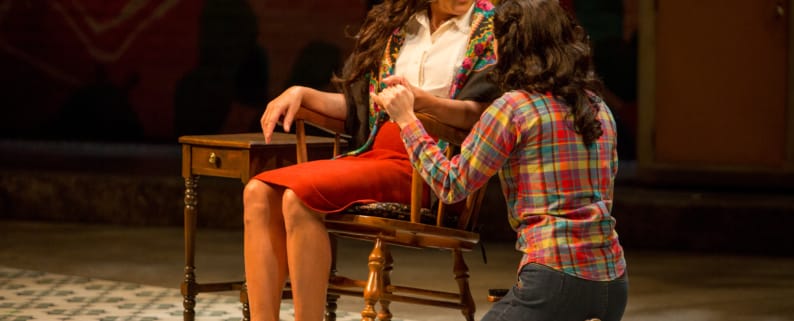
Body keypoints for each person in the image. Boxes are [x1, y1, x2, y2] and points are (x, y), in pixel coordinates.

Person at [242, 1, 499, 320]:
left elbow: (490, 114)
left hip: (434, 164)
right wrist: (302, 94)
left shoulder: (491, 30)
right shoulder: (398, 28)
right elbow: (360, 107)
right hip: (378, 152)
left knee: (298, 197)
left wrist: (422, 104)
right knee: (257, 192)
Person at [372, 0, 628, 320]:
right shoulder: (598, 107)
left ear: (509, 45)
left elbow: (451, 185)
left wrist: (407, 120)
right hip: (614, 282)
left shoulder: (514, 108)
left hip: (555, 277)